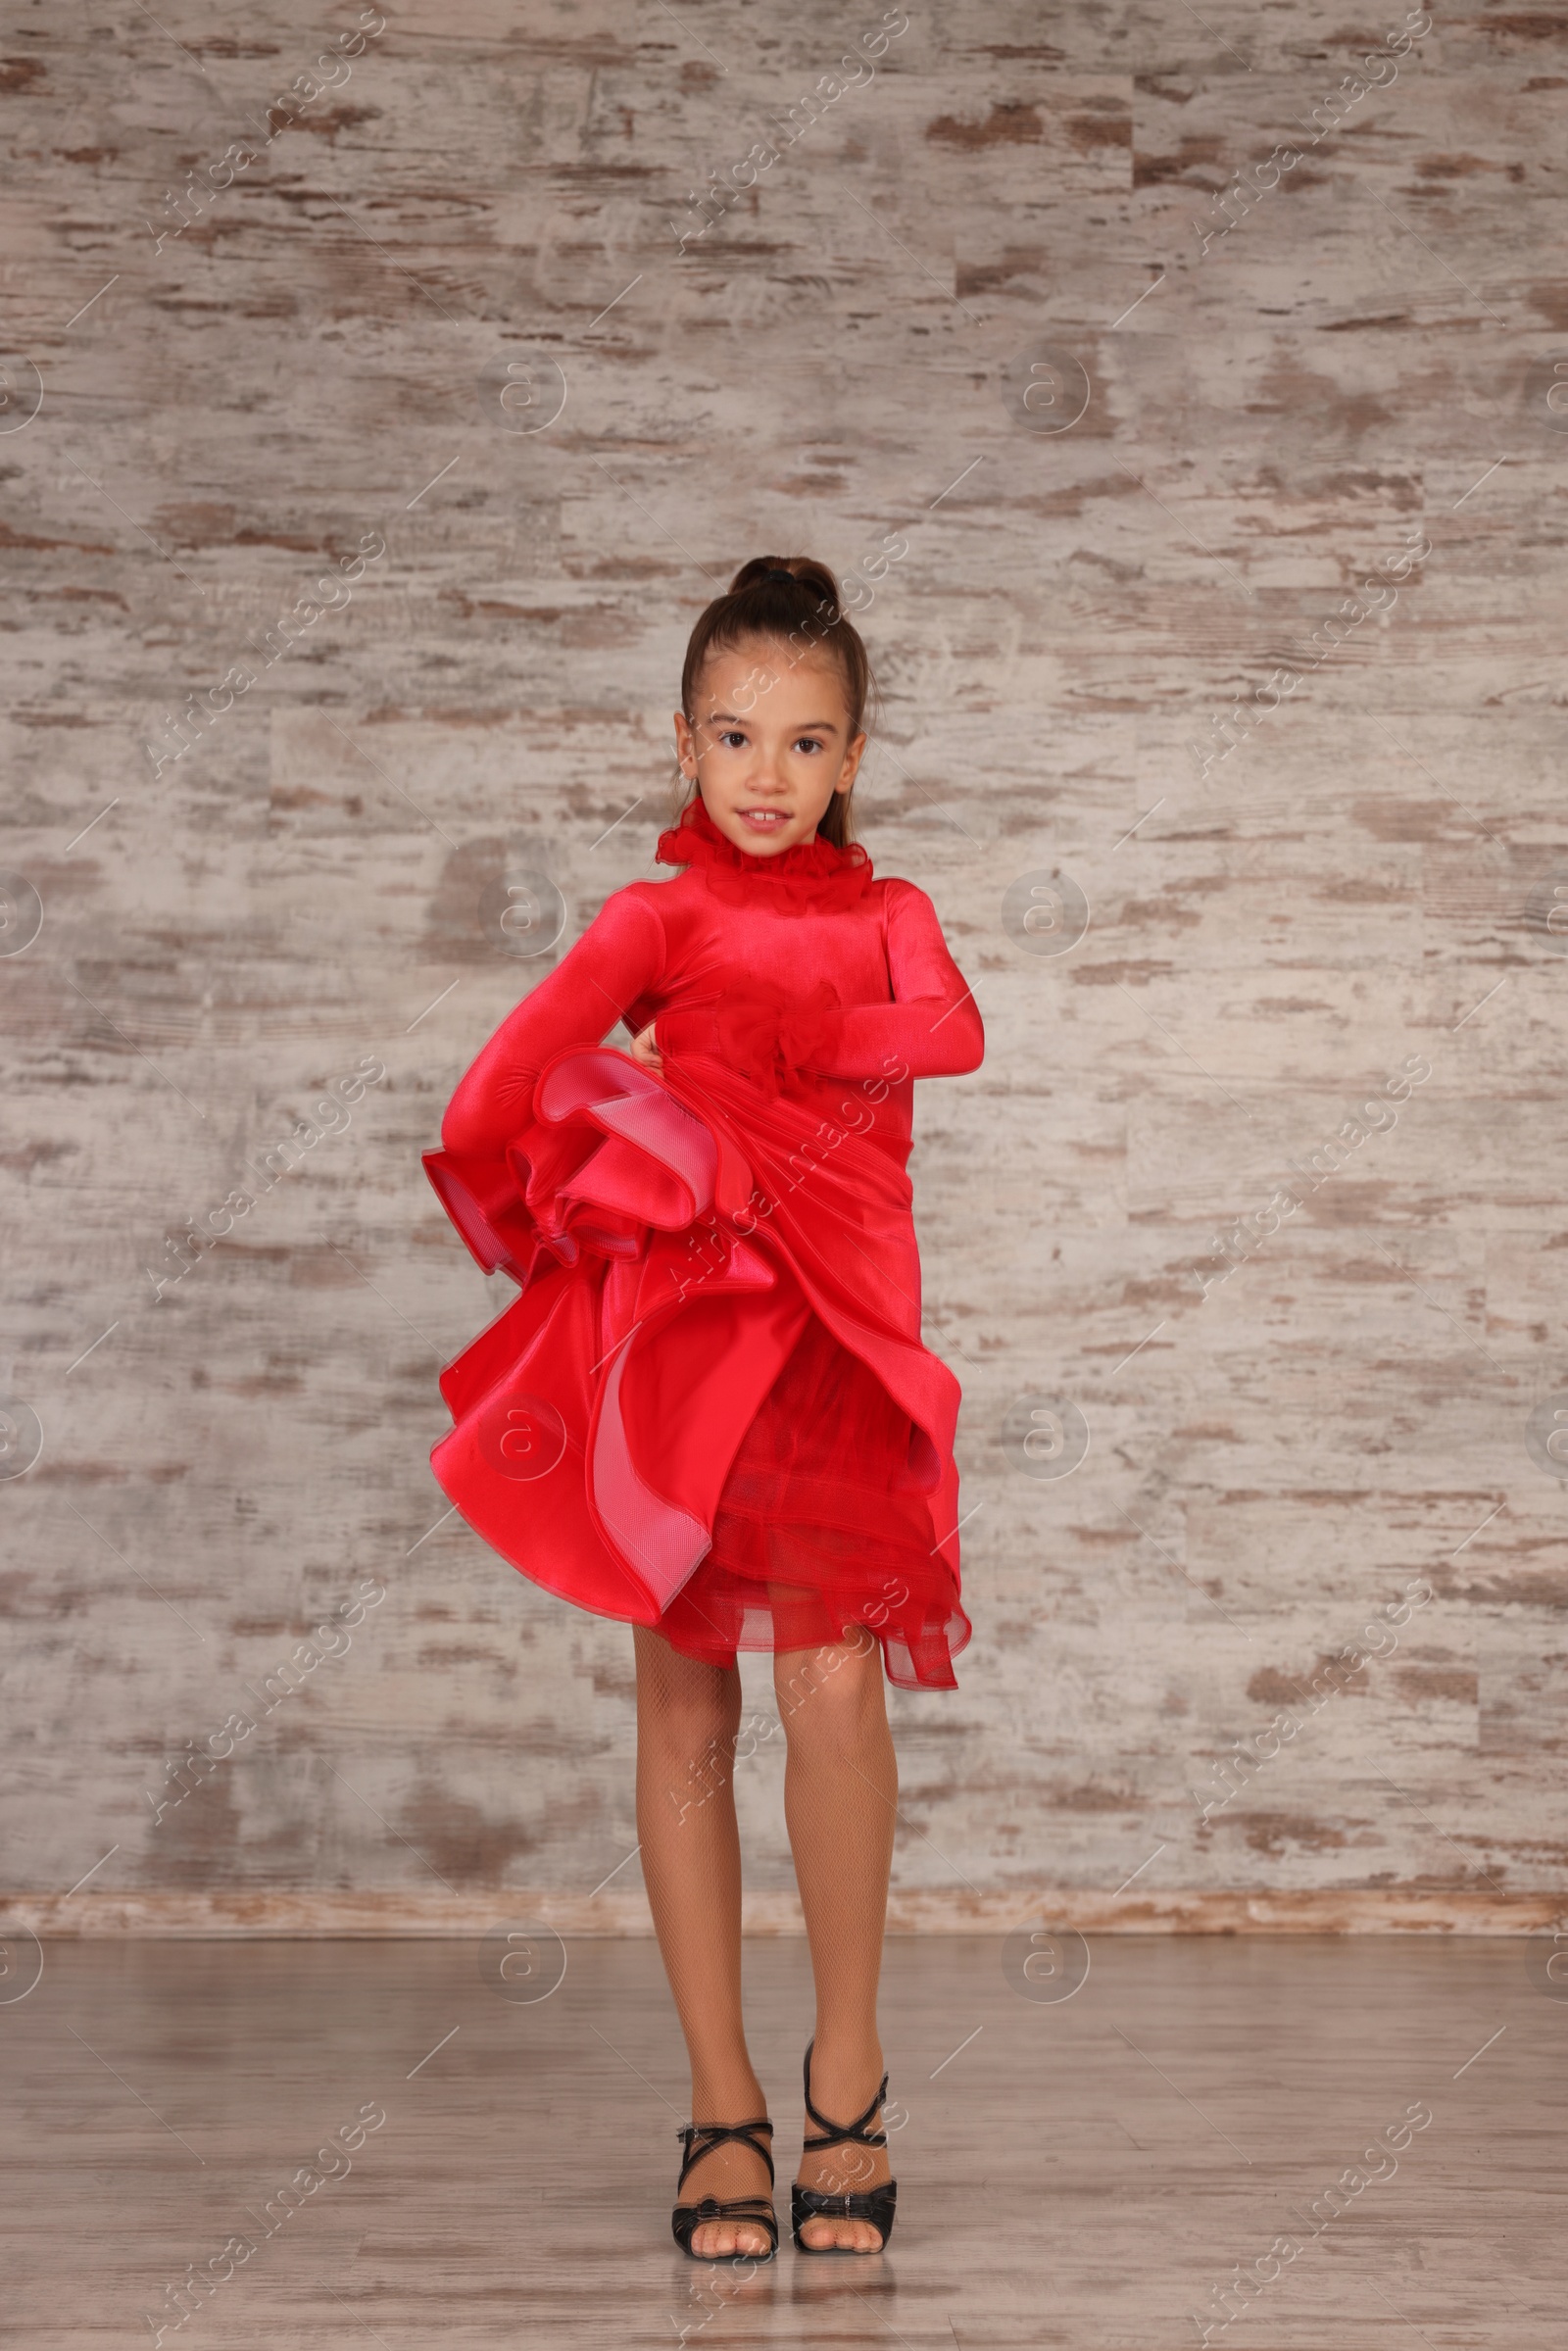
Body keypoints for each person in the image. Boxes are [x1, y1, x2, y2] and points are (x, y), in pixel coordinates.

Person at [424, 556, 985, 2258]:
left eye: (804, 744)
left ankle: (851, 2077)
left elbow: (951, 1031)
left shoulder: (890, 913)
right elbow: (500, 1086)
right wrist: (564, 1218)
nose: (765, 774)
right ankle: (721, 2105)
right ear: (682, 741)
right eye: (734, 736)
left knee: (832, 1690)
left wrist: (782, 1064)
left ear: (854, 759)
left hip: (838, 1344)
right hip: (683, 1345)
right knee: (684, 1710)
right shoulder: (651, 917)